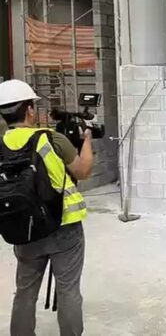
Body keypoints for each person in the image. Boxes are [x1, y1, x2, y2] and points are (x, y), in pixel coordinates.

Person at [0, 79, 93, 336]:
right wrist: (86, 140)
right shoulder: (52, 139)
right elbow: (83, 171)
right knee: (68, 290)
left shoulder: (1, 145)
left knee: (25, 292)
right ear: (29, 110)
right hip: (63, 228)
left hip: (24, 229)